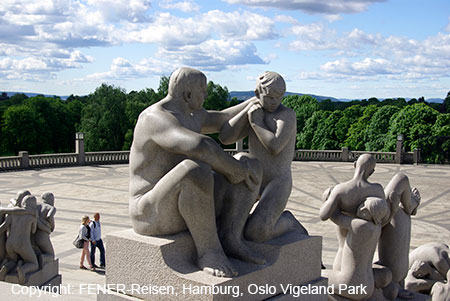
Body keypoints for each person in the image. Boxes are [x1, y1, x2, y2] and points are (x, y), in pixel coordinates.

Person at [129, 67, 263, 278]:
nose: (206, 95)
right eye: (203, 91)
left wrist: (254, 102)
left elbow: (222, 119)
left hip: (188, 205)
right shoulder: (153, 118)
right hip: (151, 212)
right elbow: (201, 146)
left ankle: (231, 237)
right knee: (193, 170)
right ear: (188, 95)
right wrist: (232, 168)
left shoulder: (191, 114)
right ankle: (209, 251)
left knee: (250, 163)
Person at [219, 71, 308, 243]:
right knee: (226, 223)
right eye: (269, 97)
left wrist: (256, 123)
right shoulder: (255, 111)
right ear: (257, 93)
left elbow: (274, 146)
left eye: (279, 97)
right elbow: (225, 138)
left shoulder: (286, 115)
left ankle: (289, 222)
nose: (275, 102)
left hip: (278, 181)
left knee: (257, 232)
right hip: (254, 178)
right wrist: (246, 111)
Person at [327, 196, 391, 299]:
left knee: (316, 275)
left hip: (350, 284)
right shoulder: (377, 226)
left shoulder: (360, 226)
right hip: (369, 286)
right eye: (362, 205)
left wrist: (334, 197)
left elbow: (334, 216)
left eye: (365, 210)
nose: (361, 209)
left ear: (372, 215)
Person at [0, 195, 39, 284]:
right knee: (33, 263)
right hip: (23, 244)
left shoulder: (12, 215)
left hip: (9, 244)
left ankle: (6, 267)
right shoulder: (32, 217)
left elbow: (5, 227)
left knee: (12, 259)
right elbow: (33, 231)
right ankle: (23, 269)